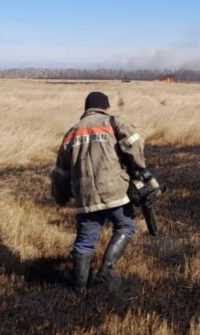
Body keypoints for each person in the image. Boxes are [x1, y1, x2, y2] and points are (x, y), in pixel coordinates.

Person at [50, 91, 149, 293]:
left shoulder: (72, 132)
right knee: (125, 227)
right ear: (105, 106)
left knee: (85, 242)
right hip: (115, 192)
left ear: (86, 108)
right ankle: (106, 271)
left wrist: (60, 195)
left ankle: (79, 287)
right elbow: (135, 142)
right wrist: (138, 167)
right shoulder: (113, 122)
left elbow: (61, 171)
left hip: (85, 197)